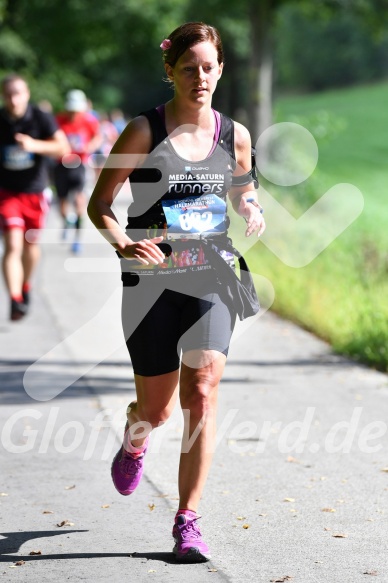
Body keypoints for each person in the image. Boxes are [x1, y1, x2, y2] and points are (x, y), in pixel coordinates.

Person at [87, 22, 265, 563]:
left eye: (209, 67)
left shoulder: (234, 134)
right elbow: (100, 204)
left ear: (220, 70)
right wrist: (123, 245)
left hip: (212, 274)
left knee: (203, 391)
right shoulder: (145, 131)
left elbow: (241, 184)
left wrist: (251, 208)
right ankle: (135, 437)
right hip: (151, 284)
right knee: (158, 410)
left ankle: (187, 520)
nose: (200, 77)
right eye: (189, 68)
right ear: (170, 72)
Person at [0, 74, 69, 321]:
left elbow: (63, 148)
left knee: (30, 246)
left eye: (17, 94)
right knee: (13, 245)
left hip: (35, 192)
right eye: (8, 94)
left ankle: (25, 286)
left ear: (26, 94)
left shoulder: (40, 118)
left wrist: (34, 145)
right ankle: (15, 299)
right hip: (7, 193)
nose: (13, 99)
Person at [54, 89, 102, 253]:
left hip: (80, 164)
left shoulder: (89, 121)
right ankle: (67, 221)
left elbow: (98, 136)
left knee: (79, 201)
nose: (73, 113)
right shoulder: (58, 120)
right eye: (71, 109)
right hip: (61, 164)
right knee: (62, 203)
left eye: (76, 110)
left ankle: (77, 239)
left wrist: (91, 146)